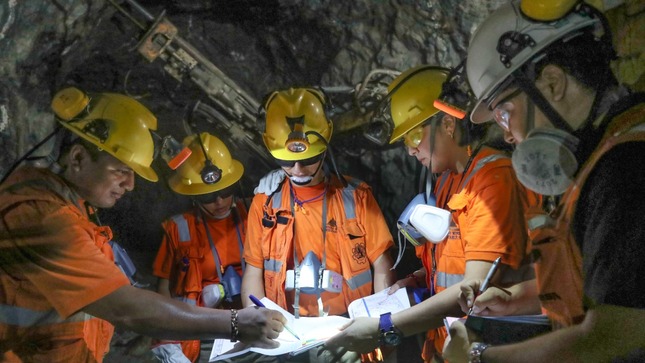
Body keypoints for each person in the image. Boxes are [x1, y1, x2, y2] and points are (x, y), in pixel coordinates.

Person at [0, 87, 285, 363]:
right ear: (78, 158)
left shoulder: (69, 206)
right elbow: (127, 309)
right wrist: (234, 323)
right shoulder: (43, 217)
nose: (130, 184)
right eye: (122, 171)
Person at [442, 0, 645, 362]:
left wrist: (477, 357)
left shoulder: (628, 167)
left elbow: (615, 336)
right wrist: (520, 296)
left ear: (552, 84)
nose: (506, 135)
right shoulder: (599, 155)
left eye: (505, 113)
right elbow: (609, 279)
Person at [325, 64, 540, 362]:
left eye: (413, 137)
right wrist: (413, 282)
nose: (410, 151)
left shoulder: (493, 180)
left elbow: (473, 288)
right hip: (449, 347)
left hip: (487, 347)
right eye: (405, 142)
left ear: (448, 125)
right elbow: (448, 267)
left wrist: (385, 328)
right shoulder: (447, 182)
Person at [241, 87, 396, 362]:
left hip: (347, 329)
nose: (298, 170)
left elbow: (382, 266)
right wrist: (256, 323)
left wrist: (381, 325)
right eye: (287, 162)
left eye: (308, 159)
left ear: (325, 143)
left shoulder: (357, 197)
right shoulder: (264, 203)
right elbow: (253, 271)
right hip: (287, 334)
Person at [152, 132, 249, 363]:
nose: (219, 202)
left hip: (253, 325)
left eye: (225, 192)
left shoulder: (253, 215)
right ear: (194, 196)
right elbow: (163, 291)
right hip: (206, 334)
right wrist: (166, 339)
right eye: (209, 196)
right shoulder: (179, 229)